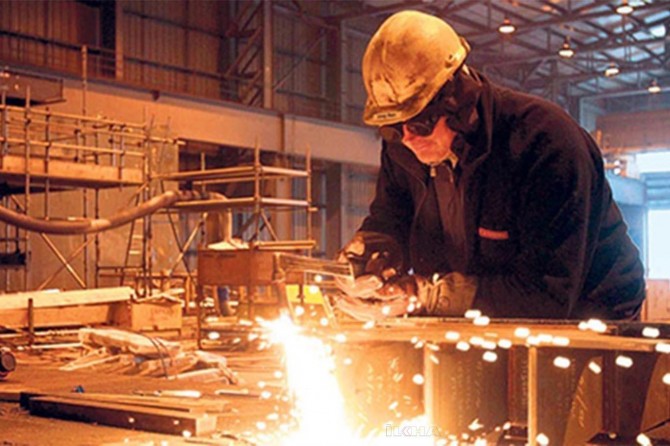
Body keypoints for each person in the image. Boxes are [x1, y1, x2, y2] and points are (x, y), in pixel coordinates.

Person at [334, 10, 645, 321]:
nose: (407, 138)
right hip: (481, 304)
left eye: (420, 123)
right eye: (392, 128)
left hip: (589, 311)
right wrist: (374, 250)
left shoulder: (546, 143)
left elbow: (548, 293)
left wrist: (427, 295)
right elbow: (391, 217)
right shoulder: (402, 147)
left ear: (457, 99)